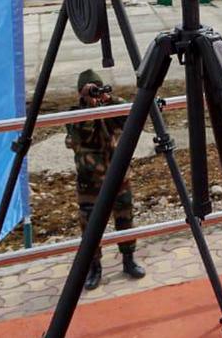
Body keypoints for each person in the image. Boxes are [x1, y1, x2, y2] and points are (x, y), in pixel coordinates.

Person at [67, 69, 145, 290]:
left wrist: (110, 99)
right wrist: (89, 105)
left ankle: (128, 259)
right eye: (89, 89)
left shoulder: (110, 110)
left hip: (118, 177)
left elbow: (130, 118)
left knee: (125, 219)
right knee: (90, 228)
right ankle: (94, 267)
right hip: (89, 183)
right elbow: (83, 133)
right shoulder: (74, 115)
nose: (95, 93)